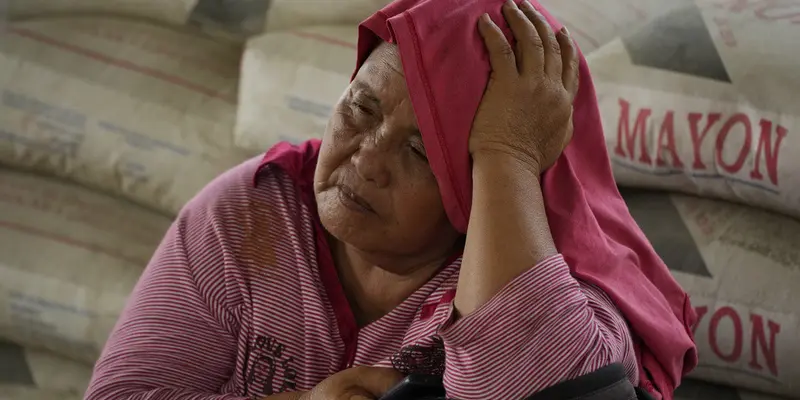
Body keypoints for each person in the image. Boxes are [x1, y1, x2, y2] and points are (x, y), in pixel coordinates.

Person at [84, 0, 698, 399]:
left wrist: (507, 152)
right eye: (362, 109)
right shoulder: (256, 212)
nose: (367, 160)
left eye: (422, 152)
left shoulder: (550, 278)